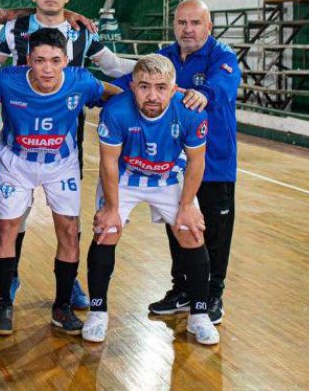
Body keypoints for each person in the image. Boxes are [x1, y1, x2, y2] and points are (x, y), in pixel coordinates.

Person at [0, 28, 121, 336]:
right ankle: (2, 302)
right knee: (7, 228)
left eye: (55, 60)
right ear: (28, 60)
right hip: (15, 162)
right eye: (39, 60)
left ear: (65, 60)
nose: (47, 68)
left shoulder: (81, 81)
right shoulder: (7, 80)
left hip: (60, 164)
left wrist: (166, 97)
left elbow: (117, 94)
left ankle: (62, 305)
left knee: (68, 231)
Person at [82, 54, 219, 346]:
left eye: (160, 87)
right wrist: (112, 208)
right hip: (125, 177)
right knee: (106, 231)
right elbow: (108, 163)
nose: (152, 95)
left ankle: (199, 315)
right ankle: (97, 312)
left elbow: (196, 162)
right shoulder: (116, 111)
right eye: (144, 86)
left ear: (174, 88)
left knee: (191, 233)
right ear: (132, 86)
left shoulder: (191, 113)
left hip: (168, 177)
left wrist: (186, 207)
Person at [121, 0, 240, 325]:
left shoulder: (222, 56)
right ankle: (183, 289)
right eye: (182, 23)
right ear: (174, 25)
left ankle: (213, 293)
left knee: (213, 231)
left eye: (195, 23)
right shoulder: (165, 57)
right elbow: (135, 81)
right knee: (179, 227)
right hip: (173, 164)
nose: (188, 29)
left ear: (208, 26)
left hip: (214, 163)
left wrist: (205, 94)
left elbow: (223, 85)